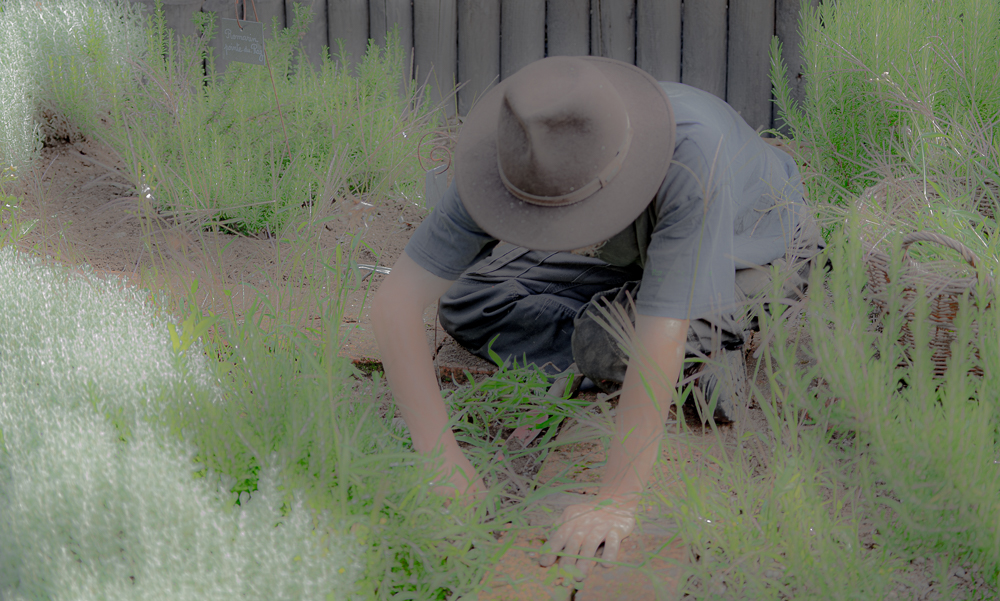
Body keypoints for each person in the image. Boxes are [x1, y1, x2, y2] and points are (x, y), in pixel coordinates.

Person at [371, 56, 820, 580]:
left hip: (750, 250)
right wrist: (439, 458)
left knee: (616, 344)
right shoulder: (518, 150)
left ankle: (701, 343)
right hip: (626, 251)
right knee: (471, 298)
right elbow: (395, 303)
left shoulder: (691, 159)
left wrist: (614, 503)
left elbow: (658, 338)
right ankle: (650, 319)